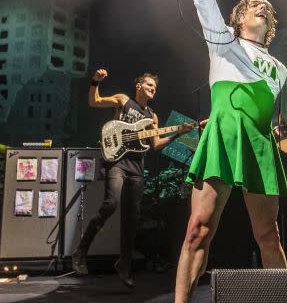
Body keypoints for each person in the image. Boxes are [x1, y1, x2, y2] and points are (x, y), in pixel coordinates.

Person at [158, 0, 287, 303]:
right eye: (251, 4)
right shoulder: (222, 40)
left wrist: (277, 136)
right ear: (237, 18)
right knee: (198, 230)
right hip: (222, 136)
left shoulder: (281, 67)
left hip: (257, 145)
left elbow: (269, 112)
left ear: (269, 23)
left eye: (264, 6)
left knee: (268, 235)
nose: (259, 6)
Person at [71, 69, 196, 287]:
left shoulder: (152, 116)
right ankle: (81, 252)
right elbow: (95, 101)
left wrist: (179, 133)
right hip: (117, 162)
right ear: (138, 86)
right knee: (111, 204)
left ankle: (125, 264)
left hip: (137, 167)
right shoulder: (123, 101)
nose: (152, 90)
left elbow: (155, 145)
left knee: (132, 217)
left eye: (155, 88)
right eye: (149, 86)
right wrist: (95, 82)